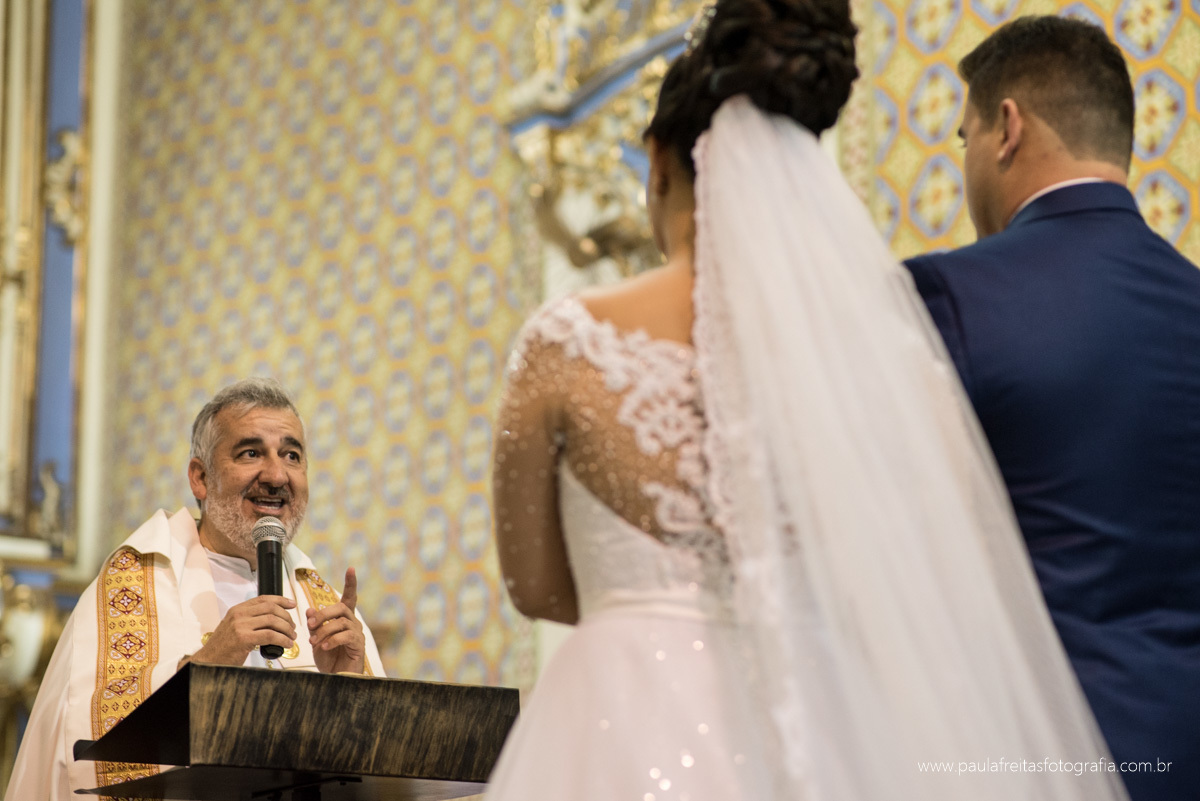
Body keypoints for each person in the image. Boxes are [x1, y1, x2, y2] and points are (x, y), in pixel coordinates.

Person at [487, 1, 1129, 799]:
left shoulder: (566, 340)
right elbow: (924, 575)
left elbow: (535, 584)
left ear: (657, 160)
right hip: (835, 733)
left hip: (619, 719)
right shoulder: (895, 360)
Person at [903, 16, 1200, 801]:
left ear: (1007, 128)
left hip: (1032, 751)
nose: (965, 162)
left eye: (963, 136)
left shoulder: (949, 294)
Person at [5, 378, 385, 800]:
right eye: (251, 453)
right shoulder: (133, 585)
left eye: (291, 455)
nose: (277, 475)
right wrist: (206, 666)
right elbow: (90, 754)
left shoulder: (322, 600)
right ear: (200, 478)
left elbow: (375, 781)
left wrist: (349, 693)